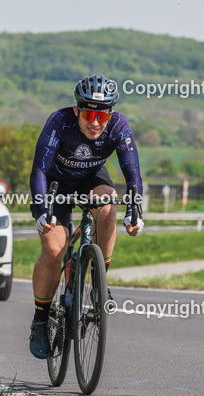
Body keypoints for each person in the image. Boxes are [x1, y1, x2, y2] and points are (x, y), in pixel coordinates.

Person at [27, 74, 145, 359]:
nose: (95, 122)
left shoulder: (118, 126)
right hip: (55, 185)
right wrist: (42, 209)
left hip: (91, 179)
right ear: (78, 110)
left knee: (108, 209)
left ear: (111, 114)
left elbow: (132, 173)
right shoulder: (60, 122)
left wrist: (135, 211)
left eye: (102, 115)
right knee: (54, 250)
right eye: (89, 113)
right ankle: (41, 318)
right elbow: (40, 168)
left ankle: (99, 283)